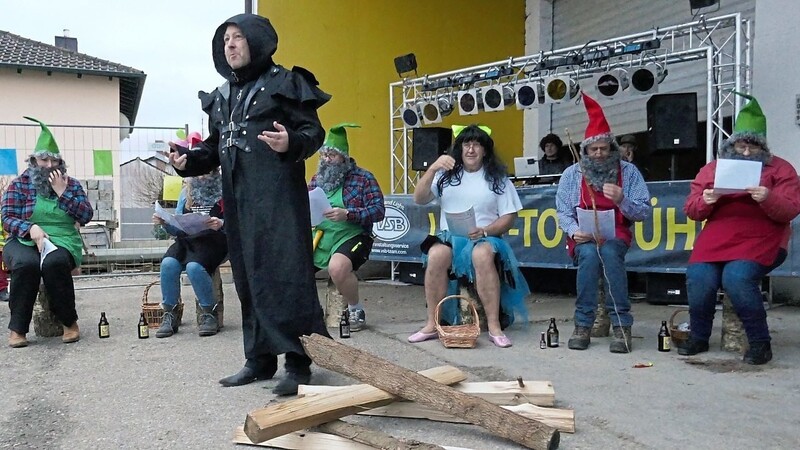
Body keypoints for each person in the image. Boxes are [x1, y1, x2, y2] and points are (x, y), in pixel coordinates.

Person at [168, 13, 331, 395]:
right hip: (238, 205)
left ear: (257, 41)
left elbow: (313, 132)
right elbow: (214, 148)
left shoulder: (285, 83)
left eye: (238, 37)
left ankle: (297, 361)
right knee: (247, 278)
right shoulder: (223, 96)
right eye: (226, 39)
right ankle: (259, 359)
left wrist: (291, 141)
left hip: (279, 204)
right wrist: (187, 161)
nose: (230, 45)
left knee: (285, 276)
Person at [680, 93, 800, 365]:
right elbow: (691, 209)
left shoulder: (782, 169)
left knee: (736, 277)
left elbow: (791, 209)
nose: (746, 153)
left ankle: (760, 342)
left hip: (763, 237)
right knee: (699, 277)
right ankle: (699, 336)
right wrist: (706, 200)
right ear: (732, 144)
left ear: (764, 148)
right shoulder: (713, 169)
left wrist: (767, 197)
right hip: (717, 238)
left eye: (753, 148)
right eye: (742, 146)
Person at [409, 124, 529, 348]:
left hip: (485, 237)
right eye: (466, 144)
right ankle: (432, 324)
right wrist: (433, 168)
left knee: (482, 255)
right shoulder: (445, 176)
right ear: (460, 149)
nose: (471, 149)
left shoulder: (498, 179)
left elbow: (509, 217)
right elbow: (419, 198)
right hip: (450, 237)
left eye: (477, 144)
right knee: (435, 255)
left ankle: (494, 326)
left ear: (485, 150)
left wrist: (485, 231)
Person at [555, 93, 651, 353]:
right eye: (592, 149)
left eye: (603, 148)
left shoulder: (628, 172)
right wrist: (575, 232)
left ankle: (621, 324)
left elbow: (643, 212)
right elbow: (563, 212)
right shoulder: (572, 174)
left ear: (612, 149)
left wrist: (622, 200)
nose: (598, 154)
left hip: (615, 236)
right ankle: (583, 324)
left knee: (608, 252)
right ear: (584, 150)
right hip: (583, 237)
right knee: (588, 255)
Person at [2, 117, 93, 348]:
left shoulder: (70, 185)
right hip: (24, 240)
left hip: (63, 240)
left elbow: (85, 216)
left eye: (54, 160)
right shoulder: (19, 184)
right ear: (33, 161)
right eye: (44, 159)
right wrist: (30, 228)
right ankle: (18, 329)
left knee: (54, 264)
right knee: (26, 265)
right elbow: (7, 218)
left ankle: (69, 323)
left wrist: (63, 193)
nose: (49, 165)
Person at [308, 123, 385, 331]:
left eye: (332, 155)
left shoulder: (363, 178)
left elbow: (379, 211)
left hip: (352, 235)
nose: (326, 160)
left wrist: (348, 214)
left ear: (344, 156)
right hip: (319, 234)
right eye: (324, 155)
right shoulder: (316, 179)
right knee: (291, 264)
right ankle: (305, 312)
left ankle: (355, 308)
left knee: (337, 267)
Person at [152, 170, 227, 338]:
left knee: (194, 267)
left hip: (215, 240)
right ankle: (170, 314)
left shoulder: (225, 189)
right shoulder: (186, 193)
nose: (200, 176)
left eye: (205, 172)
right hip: (188, 240)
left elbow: (238, 221)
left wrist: (221, 223)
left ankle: (209, 314)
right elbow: (177, 226)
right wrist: (165, 223)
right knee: (168, 264)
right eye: (198, 172)